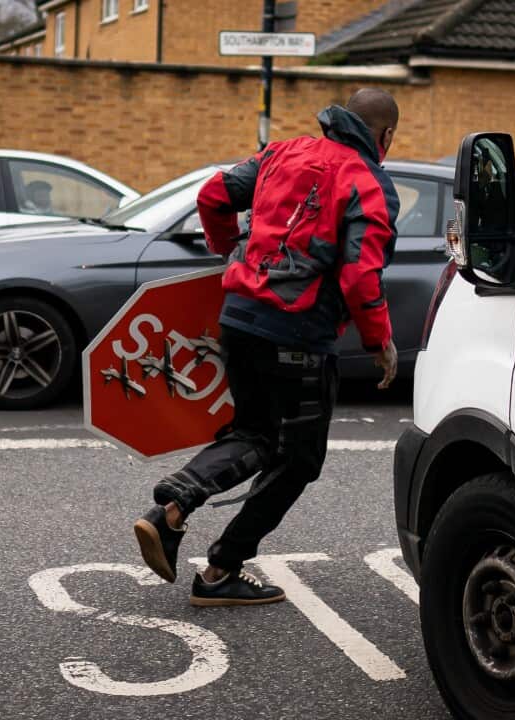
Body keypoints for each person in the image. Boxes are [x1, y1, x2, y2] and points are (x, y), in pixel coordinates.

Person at [132, 88, 401, 606]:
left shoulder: (280, 152)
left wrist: (227, 251)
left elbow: (213, 195)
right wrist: (379, 340)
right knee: (298, 460)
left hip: (239, 318)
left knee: (255, 433)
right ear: (384, 135)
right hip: (298, 334)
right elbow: (361, 275)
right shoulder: (369, 182)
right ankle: (218, 567)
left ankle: (173, 510)